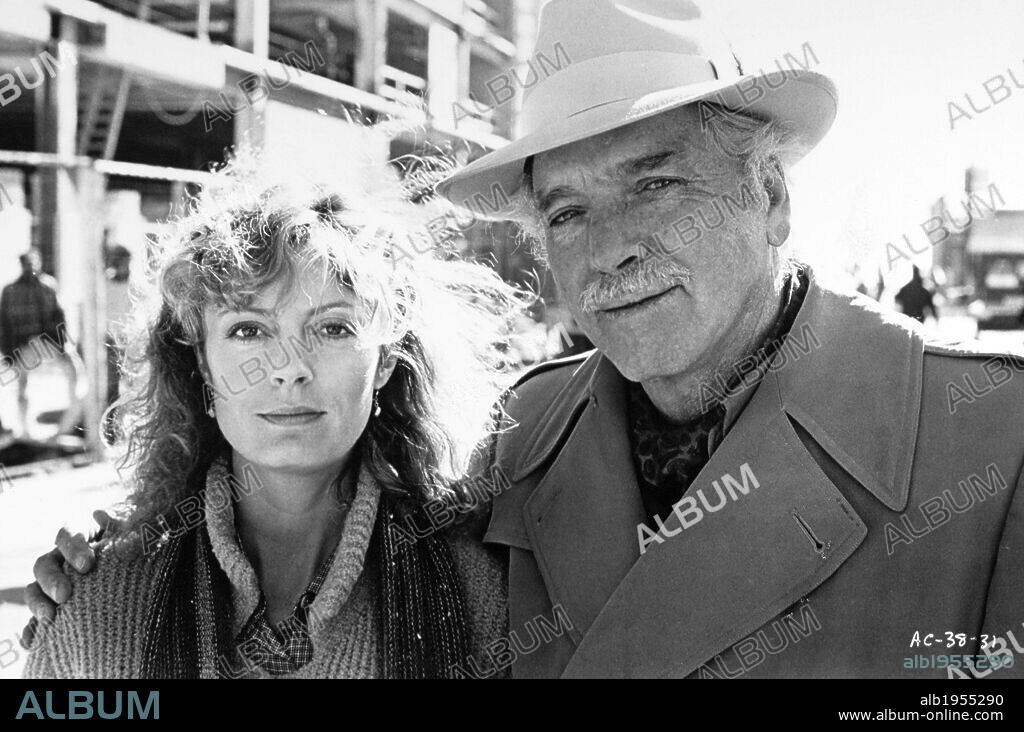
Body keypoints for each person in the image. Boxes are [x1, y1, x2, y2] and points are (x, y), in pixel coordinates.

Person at [29, 0, 1024, 679]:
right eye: (565, 213)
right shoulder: (521, 445)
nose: (611, 252)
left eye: (655, 183)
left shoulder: (993, 445)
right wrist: (110, 585)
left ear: (769, 196)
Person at [21, 157, 521, 678]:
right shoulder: (98, 604)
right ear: (201, 364)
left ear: (386, 362)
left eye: (332, 329)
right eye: (249, 331)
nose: (288, 370)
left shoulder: (481, 593)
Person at [0, 248, 85, 438]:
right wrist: (8, 352)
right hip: (22, 346)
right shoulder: (10, 291)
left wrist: (61, 346)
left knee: (74, 372)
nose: (31, 267)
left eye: (33, 263)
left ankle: (69, 424)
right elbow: (4, 323)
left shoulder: (47, 286)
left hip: (45, 343)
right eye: (27, 264)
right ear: (21, 265)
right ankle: (24, 430)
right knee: (21, 386)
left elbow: (58, 316)